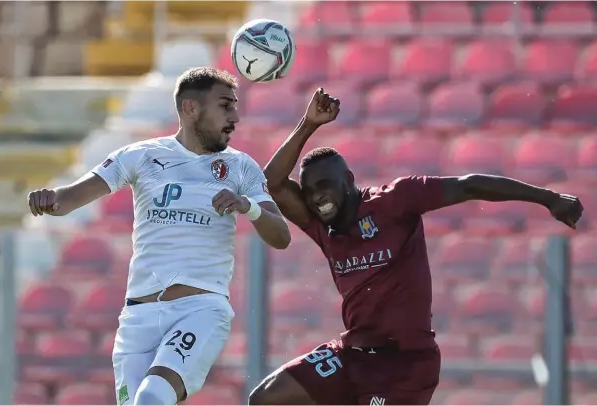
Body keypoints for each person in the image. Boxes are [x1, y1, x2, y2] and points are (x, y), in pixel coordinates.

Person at [249, 88, 584, 405]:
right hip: (351, 355)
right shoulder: (322, 225)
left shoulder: (395, 201)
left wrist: (548, 198)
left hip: (405, 365)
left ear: (349, 181)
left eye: (325, 186)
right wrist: (308, 125)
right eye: (309, 191)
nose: (316, 197)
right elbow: (273, 182)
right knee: (265, 398)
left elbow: (469, 186)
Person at [27, 67, 290, 406]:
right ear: (190, 108)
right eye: (225, 106)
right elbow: (68, 199)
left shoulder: (241, 167)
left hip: (200, 310)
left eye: (235, 106)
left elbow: (280, 234)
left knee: (151, 398)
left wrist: (247, 206)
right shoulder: (141, 155)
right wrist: (48, 198)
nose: (235, 116)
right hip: (139, 317)